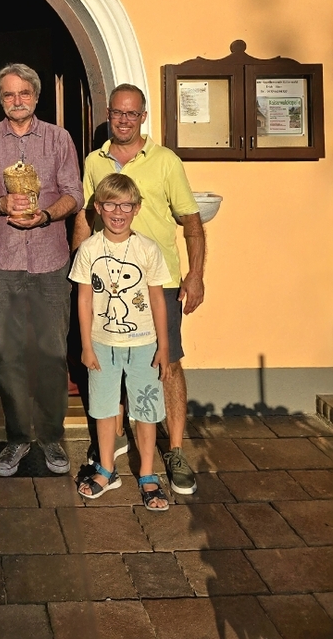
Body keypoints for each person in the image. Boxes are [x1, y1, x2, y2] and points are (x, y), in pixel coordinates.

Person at [73, 83, 205, 495]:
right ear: (108, 115)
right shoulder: (94, 161)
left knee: (167, 364)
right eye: (117, 112)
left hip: (159, 282)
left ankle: (175, 451)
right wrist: (79, 267)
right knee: (109, 362)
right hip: (107, 283)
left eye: (132, 113)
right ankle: (114, 444)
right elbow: (85, 216)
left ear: (143, 117)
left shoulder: (165, 161)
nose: (124, 120)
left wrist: (196, 274)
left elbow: (191, 221)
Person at [0, 63, 83, 476]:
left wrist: (47, 215)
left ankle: (51, 437)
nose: (17, 100)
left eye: (24, 93)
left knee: (52, 355)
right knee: (10, 355)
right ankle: (17, 438)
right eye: (9, 94)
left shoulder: (59, 138)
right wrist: (1, 204)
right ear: (0, 99)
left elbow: (74, 194)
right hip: (2, 262)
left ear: (36, 96)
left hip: (51, 260)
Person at [70, 173, 171, 511]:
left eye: (126, 205)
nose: (118, 212)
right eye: (110, 205)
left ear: (137, 208)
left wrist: (164, 346)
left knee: (146, 410)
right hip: (101, 344)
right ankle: (106, 469)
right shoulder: (89, 249)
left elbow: (157, 300)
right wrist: (86, 345)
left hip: (144, 344)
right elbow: (84, 299)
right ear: (98, 208)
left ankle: (147, 473)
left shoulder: (148, 249)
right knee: (103, 408)